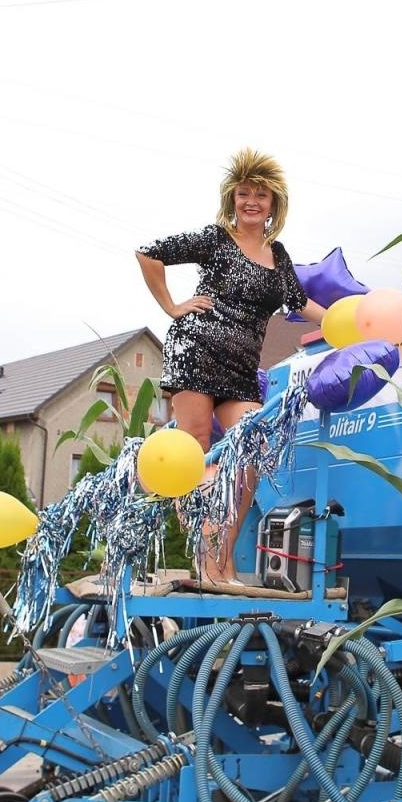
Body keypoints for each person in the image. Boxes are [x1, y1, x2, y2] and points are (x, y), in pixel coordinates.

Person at [136, 148, 327, 582]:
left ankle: (220, 561)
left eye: (261, 195)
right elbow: (149, 253)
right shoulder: (215, 239)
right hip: (197, 349)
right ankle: (207, 563)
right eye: (244, 194)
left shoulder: (277, 256)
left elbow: (299, 304)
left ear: (274, 203)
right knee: (196, 448)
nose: (252, 202)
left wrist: (345, 321)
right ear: (233, 198)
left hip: (240, 369)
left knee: (250, 449)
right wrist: (172, 306)